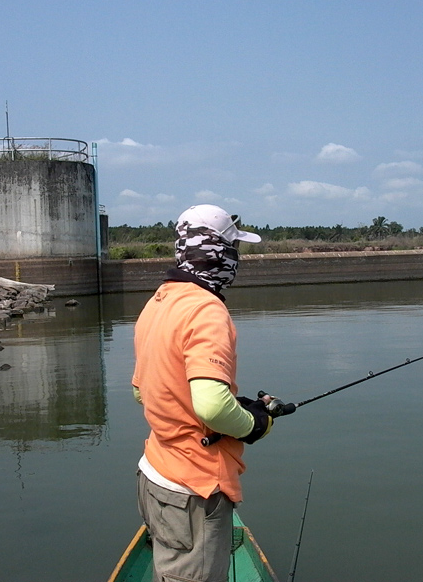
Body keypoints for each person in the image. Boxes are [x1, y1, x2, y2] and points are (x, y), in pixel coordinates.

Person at [132, 204, 273, 582]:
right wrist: (254, 423)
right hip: (193, 488)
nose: (236, 259)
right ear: (218, 252)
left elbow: (143, 392)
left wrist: (234, 407)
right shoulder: (206, 310)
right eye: (234, 249)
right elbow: (210, 405)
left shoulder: (159, 300)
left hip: (155, 473)